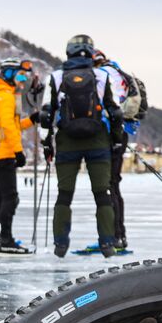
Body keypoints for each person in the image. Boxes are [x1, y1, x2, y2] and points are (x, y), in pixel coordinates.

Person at [43, 36, 127, 257]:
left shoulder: (56, 77)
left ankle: (60, 244)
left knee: (64, 195)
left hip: (67, 142)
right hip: (97, 141)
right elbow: (115, 111)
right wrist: (117, 139)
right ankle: (107, 243)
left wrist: (46, 144)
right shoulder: (102, 75)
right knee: (102, 193)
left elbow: (46, 114)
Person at [0, 58, 38, 255]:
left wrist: (30, 121)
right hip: (3, 153)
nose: (22, 79)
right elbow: (7, 126)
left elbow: (11, 125)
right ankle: (6, 239)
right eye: (19, 75)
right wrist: (18, 151)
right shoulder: (5, 96)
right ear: (8, 75)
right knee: (10, 198)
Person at [91, 49, 139, 253]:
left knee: (106, 186)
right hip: (122, 134)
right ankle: (119, 235)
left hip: (109, 134)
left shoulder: (103, 76)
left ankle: (112, 236)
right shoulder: (120, 74)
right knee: (113, 185)